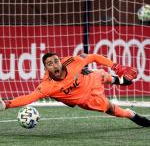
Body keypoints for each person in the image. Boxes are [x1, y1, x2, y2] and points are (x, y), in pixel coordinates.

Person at [0, 52, 150, 127]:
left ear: (60, 61)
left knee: (98, 74)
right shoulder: (46, 85)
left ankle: (119, 79)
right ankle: (132, 114)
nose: (55, 65)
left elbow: (93, 57)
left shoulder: (73, 62)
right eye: (50, 64)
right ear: (46, 68)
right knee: (116, 111)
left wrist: (116, 67)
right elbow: (29, 98)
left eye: (56, 61)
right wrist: (6, 104)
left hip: (91, 79)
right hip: (88, 100)